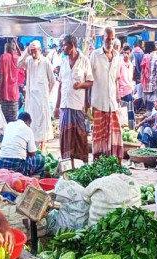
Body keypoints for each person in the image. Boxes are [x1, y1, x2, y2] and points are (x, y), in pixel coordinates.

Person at [54, 34, 93, 165]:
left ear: (72, 45)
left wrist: (80, 85)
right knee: (65, 137)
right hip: (65, 104)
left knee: (80, 136)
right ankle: (67, 164)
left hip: (78, 104)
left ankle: (81, 164)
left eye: (64, 45)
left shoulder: (84, 60)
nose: (63, 48)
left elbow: (90, 82)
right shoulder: (63, 61)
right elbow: (60, 85)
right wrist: (56, 106)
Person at [90, 27, 123, 160]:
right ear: (103, 39)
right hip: (99, 101)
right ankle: (99, 161)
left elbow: (115, 78)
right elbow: (89, 79)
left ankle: (113, 160)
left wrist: (118, 94)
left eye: (112, 38)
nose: (110, 41)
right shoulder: (95, 55)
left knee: (116, 132)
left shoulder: (117, 57)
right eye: (107, 39)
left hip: (112, 102)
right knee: (99, 136)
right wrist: (87, 103)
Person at [17, 40, 55, 149]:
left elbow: (52, 80)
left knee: (42, 124)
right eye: (32, 51)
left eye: (35, 51)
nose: (33, 54)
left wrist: (47, 94)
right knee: (32, 123)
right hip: (31, 100)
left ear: (40, 50)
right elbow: (19, 63)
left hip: (42, 100)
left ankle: (41, 148)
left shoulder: (46, 62)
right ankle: (32, 147)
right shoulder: (28, 60)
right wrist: (26, 51)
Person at [0, 112, 45, 176]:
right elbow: (33, 153)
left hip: (0, 165)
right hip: (16, 167)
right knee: (41, 159)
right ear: (27, 121)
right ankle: (33, 179)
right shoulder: (28, 129)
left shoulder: (8, 126)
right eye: (29, 124)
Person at [0, 41, 21, 123]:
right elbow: (22, 57)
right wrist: (17, 46)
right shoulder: (17, 58)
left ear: (6, 48)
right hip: (14, 94)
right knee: (13, 119)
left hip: (4, 93)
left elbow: (1, 77)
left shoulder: (3, 57)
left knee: (4, 120)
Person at [142, 41, 157, 114]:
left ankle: (147, 121)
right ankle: (150, 122)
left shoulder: (146, 57)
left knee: (147, 106)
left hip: (145, 86)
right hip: (153, 86)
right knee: (152, 106)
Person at [119, 43, 136, 128]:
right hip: (121, 92)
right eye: (124, 53)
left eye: (128, 53)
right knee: (122, 114)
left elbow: (131, 78)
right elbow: (117, 78)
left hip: (129, 91)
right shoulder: (120, 64)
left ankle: (131, 129)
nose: (126, 55)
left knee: (130, 113)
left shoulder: (131, 65)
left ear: (130, 53)